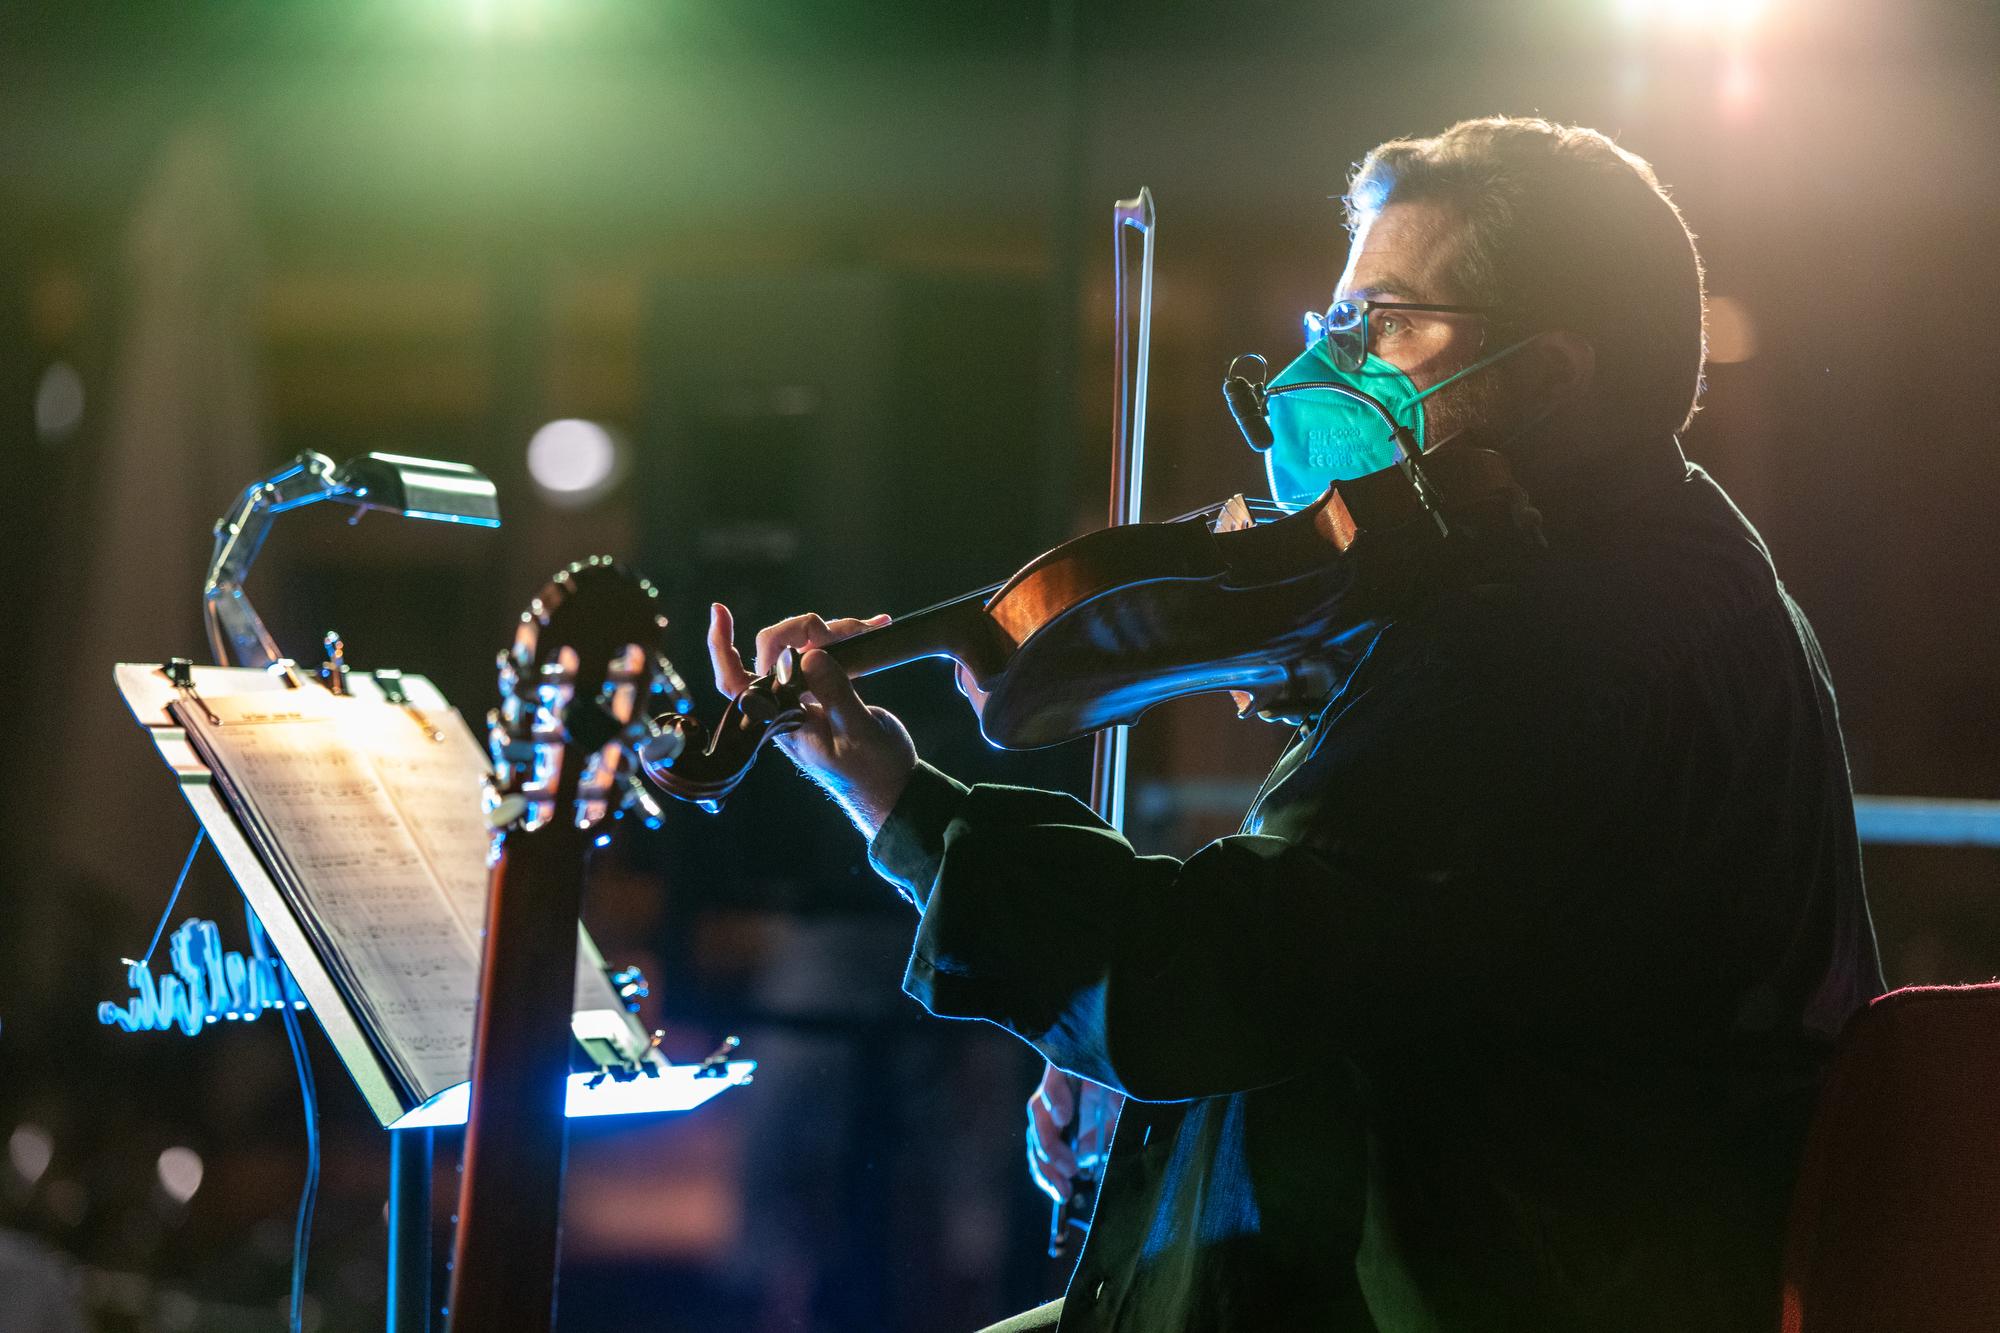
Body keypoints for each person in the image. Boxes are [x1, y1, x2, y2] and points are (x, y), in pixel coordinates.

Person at [705, 116, 1883, 1332]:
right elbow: (1385, 971)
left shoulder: (1551, 644)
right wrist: (1175, 1100)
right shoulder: (1673, 563)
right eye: (1328, 328)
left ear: (1547, 373)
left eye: (1385, 326)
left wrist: (899, 804)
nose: (1320, 374)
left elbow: (1216, 982)